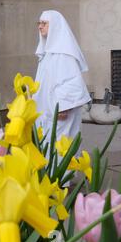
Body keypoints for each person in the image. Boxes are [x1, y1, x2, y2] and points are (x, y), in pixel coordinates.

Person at [33, 10, 91, 145]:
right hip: (47, 110)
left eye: (44, 23)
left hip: (60, 113)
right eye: (39, 23)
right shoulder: (47, 54)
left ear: (55, 26)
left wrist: (63, 106)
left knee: (61, 146)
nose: (40, 26)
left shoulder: (63, 54)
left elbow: (72, 82)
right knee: (48, 145)